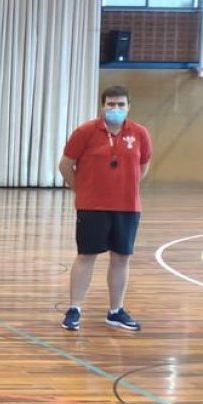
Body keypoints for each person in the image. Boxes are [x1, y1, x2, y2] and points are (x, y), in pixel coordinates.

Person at [58, 85, 152, 332]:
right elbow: (65, 166)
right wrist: (84, 189)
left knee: (121, 257)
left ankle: (115, 311)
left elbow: (143, 166)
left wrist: (125, 187)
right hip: (92, 207)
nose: (116, 109)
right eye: (111, 104)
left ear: (129, 106)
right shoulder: (85, 131)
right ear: (102, 106)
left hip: (128, 207)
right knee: (86, 256)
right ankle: (74, 308)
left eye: (121, 104)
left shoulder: (140, 133)